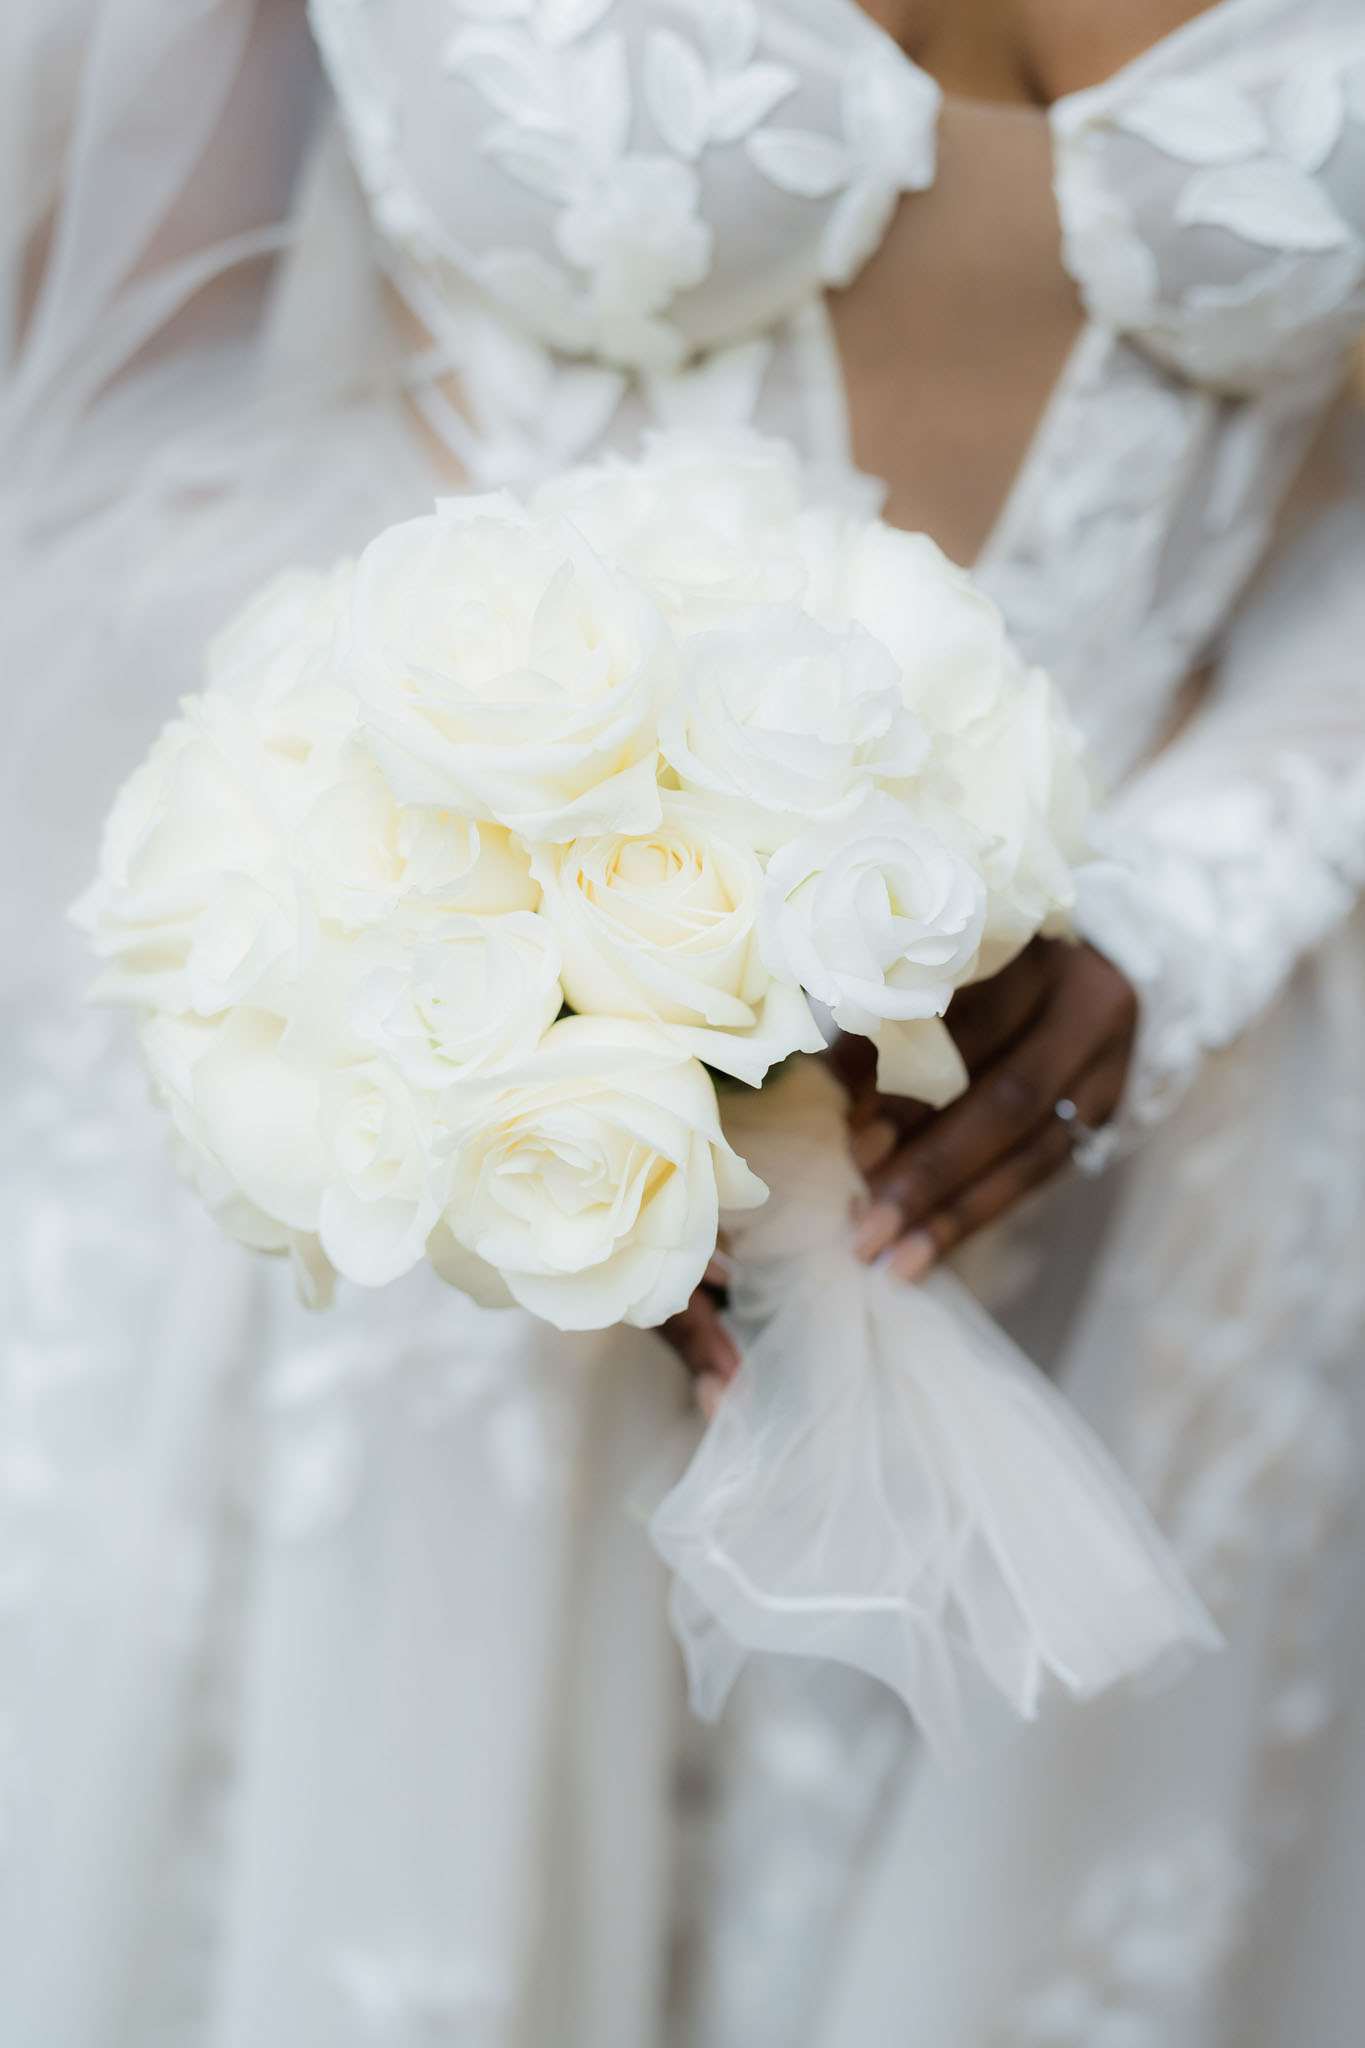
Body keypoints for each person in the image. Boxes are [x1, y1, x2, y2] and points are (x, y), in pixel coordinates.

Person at [2, 2, 1364, 2042]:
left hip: (1139, 1178)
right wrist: (483, 945)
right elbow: (102, 369)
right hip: (423, 1181)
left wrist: (1187, 903)